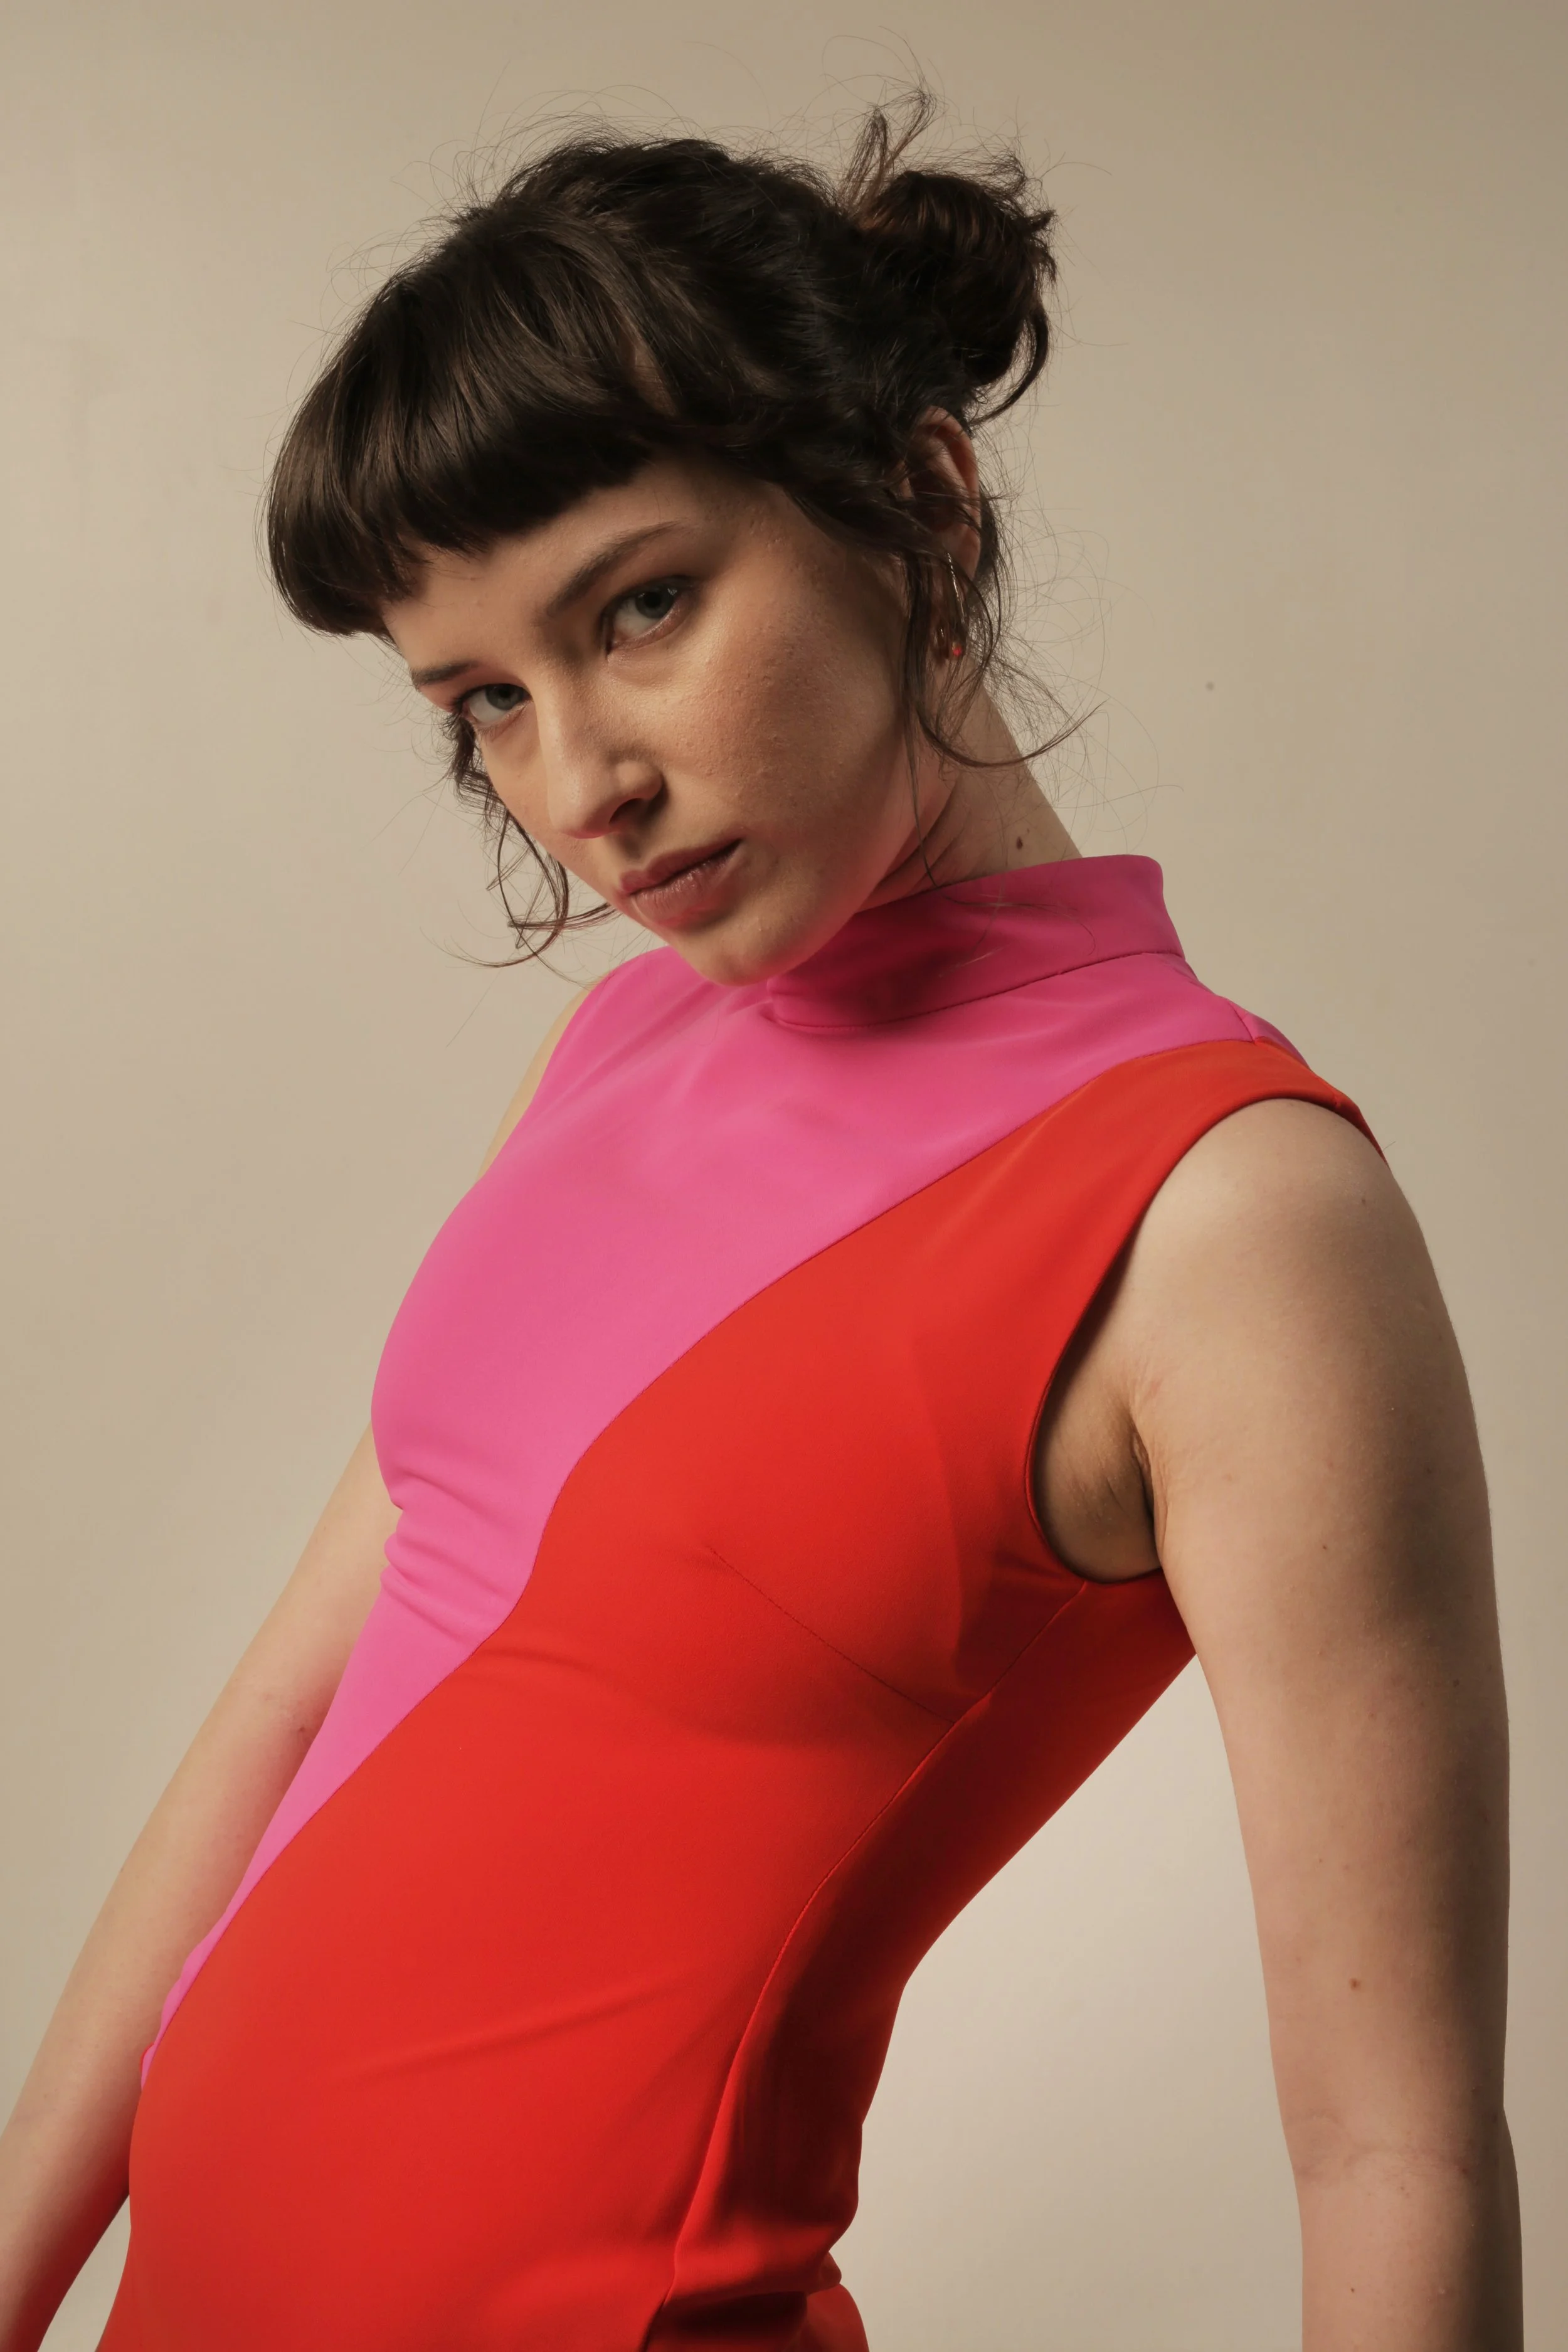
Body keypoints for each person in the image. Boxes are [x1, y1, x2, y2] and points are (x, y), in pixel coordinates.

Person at [0, 93, 1520, 2352]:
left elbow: (1388, 2144)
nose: (578, 779)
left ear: (917, 497)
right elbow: (290, 1709)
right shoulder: (607, 1062)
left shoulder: (1231, 1217)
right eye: (483, 704)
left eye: (642, 607)